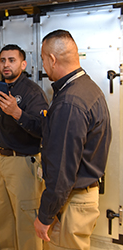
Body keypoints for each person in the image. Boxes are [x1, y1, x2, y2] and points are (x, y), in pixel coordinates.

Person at [34, 30, 112, 249]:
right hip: (80, 199)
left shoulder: (70, 102)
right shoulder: (88, 88)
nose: (43, 65)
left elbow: (62, 173)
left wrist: (45, 217)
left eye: (42, 58)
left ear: (52, 59)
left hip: (70, 204)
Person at [0, 44, 48, 250]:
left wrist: (17, 113)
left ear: (23, 64)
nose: (6, 65)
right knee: (4, 219)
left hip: (23, 163)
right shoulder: (1, 87)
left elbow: (43, 128)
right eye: (3, 60)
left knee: (25, 220)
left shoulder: (32, 92)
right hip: (2, 161)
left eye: (11, 60)